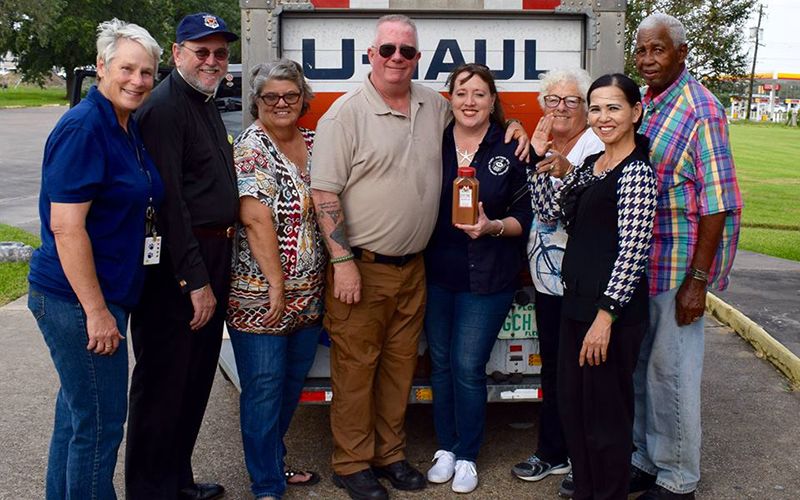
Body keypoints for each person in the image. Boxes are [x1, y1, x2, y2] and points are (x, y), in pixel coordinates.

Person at [311, 14, 529, 500]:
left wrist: (513, 124)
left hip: (415, 269)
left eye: (406, 51)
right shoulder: (344, 115)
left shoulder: (433, 105)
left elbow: (479, 116)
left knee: (399, 370)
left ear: (417, 59)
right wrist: (342, 262)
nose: (396, 58)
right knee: (355, 370)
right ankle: (352, 463)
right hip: (362, 267)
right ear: (371, 54)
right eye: (387, 49)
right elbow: (324, 194)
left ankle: (389, 454)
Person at [26, 19, 163, 499]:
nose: (137, 80)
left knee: (77, 416)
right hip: (76, 300)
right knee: (101, 425)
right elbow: (66, 227)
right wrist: (97, 311)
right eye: (127, 68)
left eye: (146, 72)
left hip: (103, 295)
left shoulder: (123, 124)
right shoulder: (85, 127)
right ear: (102, 67)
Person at [125, 12, 239, 500]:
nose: (212, 60)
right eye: (201, 51)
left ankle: (177, 482)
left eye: (220, 53)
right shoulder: (165, 108)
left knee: (192, 380)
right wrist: (195, 280)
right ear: (176, 54)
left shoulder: (203, 100)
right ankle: (151, 490)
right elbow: (169, 204)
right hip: (178, 264)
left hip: (212, 252)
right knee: (163, 383)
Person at [629, 14, 743, 500]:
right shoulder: (649, 103)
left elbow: (719, 203)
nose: (647, 59)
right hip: (642, 265)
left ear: (681, 53)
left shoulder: (702, 110)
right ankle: (646, 460)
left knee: (671, 375)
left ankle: (678, 479)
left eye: (657, 50)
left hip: (677, 270)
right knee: (642, 371)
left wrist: (698, 281)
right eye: (641, 50)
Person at [530, 73, 658, 499]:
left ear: (635, 112)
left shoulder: (636, 173)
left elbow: (633, 252)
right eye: (597, 108)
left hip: (609, 318)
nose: (604, 117)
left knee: (606, 420)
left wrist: (605, 319)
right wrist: (540, 162)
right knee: (577, 413)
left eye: (614, 108)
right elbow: (548, 212)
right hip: (575, 307)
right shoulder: (591, 167)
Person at [423, 63, 532, 494]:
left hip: (488, 278)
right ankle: (445, 448)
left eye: (479, 94)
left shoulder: (510, 146)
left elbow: (525, 216)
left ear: (492, 101)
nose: (470, 101)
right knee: (440, 364)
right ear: (449, 98)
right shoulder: (432, 141)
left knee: (468, 366)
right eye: (462, 92)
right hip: (435, 273)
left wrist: (493, 226)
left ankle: (467, 454)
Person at [226, 59, 325, 500]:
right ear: (257, 101)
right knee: (263, 389)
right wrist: (277, 285)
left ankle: (274, 462)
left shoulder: (314, 141)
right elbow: (254, 218)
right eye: (271, 96)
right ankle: (266, 484)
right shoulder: (251, 146)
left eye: (290, 95)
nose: (281, 103)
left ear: (303, 99)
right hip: (261, 296)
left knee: (289, 387)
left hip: (309, 295)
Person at [511, 68, 604, 497]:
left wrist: (557, 169)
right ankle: (552, 450)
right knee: (553, 368)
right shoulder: (544, 145)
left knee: (583, 374)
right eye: (553, 100)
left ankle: (584, 461)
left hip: (583, 282)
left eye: (571, 100)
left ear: (586, 108)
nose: (561, 108)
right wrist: (535, 152)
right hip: (548, 283)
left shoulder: (595, 147)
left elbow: (561, 211)